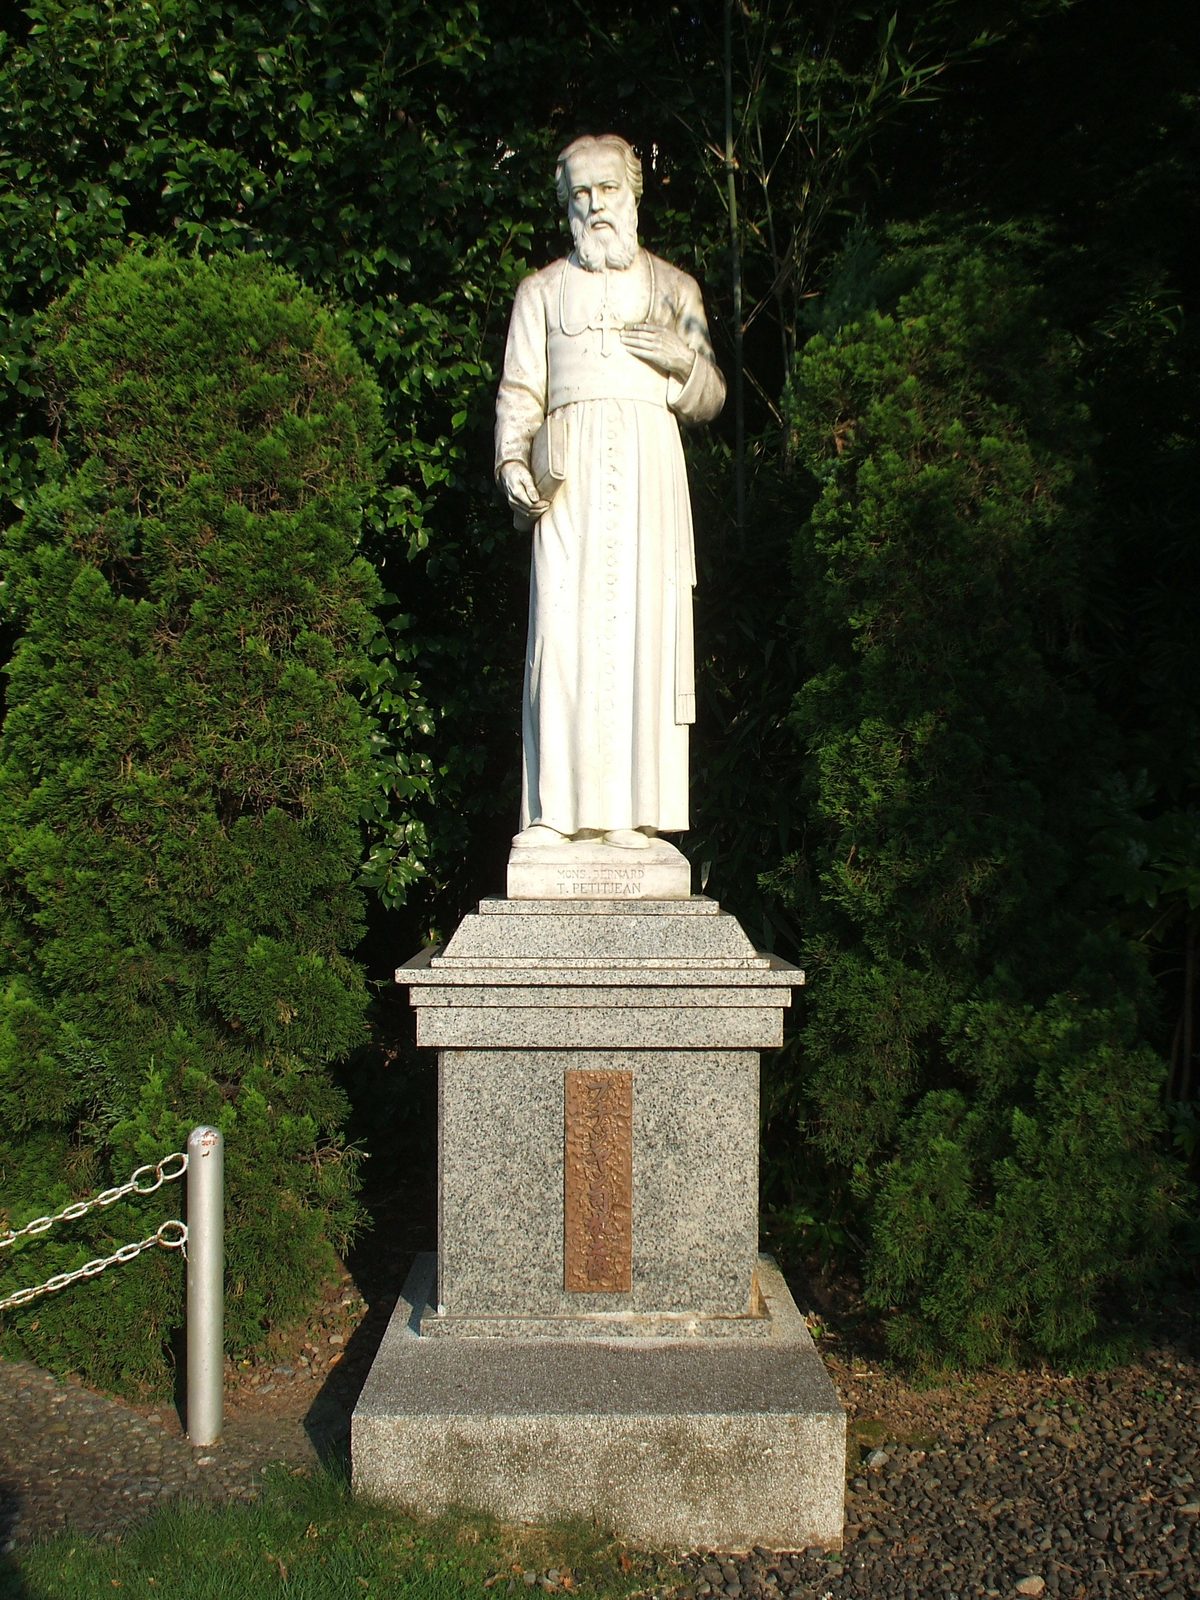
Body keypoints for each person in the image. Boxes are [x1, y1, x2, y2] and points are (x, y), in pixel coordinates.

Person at [496, 133, 725, 851]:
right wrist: (511, 465)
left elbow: (711, 396)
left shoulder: (673, 289)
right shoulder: (539, 292)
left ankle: (634, 815)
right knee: (561, 640)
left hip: (649, 481)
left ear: (635, 193)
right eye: (581, 194)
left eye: (609, 190)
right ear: (566, 204)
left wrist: (682, 360)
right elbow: (518, 394)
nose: (596, 206)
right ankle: (551, 815)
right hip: (566, 486)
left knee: (641, 638)